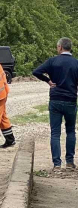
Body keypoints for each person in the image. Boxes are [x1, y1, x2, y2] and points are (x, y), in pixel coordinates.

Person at [33, 37, 78, 173]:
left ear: (60, 47)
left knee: (55, 132)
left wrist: (48, 81)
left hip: (56, 99)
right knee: (70, 131)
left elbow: (36, 72)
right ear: (70, 48)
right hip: (70, 99)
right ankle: (70, 162)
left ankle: (57, 164)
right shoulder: (76, 63)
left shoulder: (53, 61)